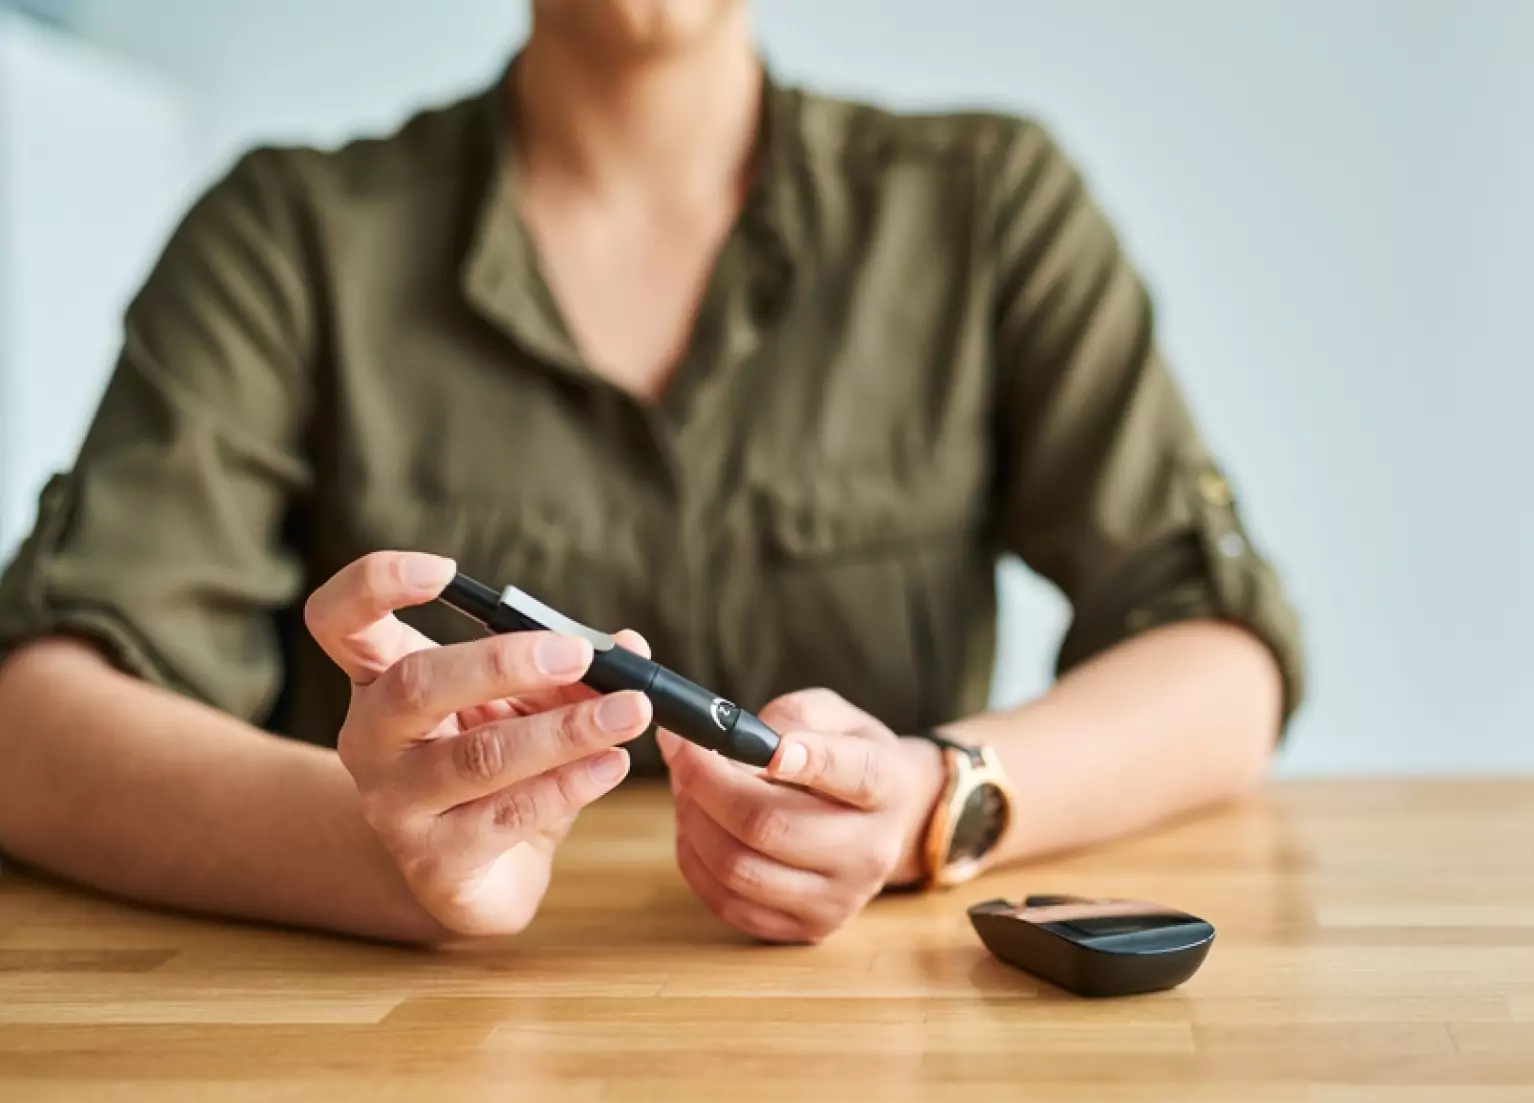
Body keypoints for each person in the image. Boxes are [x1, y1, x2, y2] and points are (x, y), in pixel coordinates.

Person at [0, 0, 1303, 946]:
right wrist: (377, 845)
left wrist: (932, 796)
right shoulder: (285, 238)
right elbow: (36, 720)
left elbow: (1218, 659)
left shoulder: (988, 207)